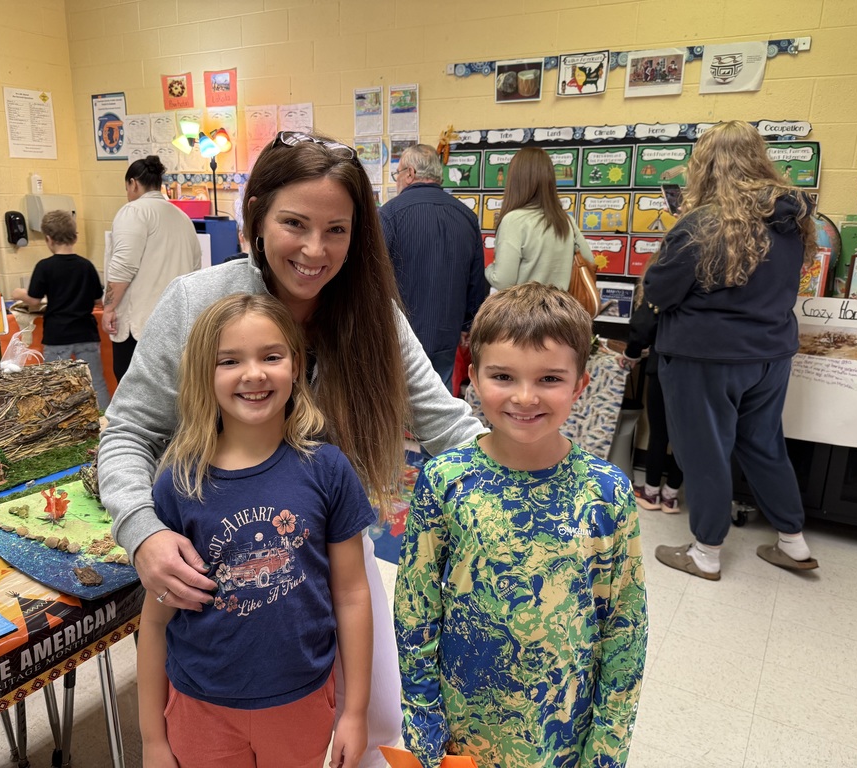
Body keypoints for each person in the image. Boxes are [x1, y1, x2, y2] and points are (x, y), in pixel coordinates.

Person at [98, 131, 485, 768]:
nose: (314, 250)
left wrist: (535, 487)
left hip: (327, 545)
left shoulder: (369, 313)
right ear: (255, 220)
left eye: (337, 229)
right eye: (294, 224)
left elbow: (448, 426)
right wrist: (143, 532)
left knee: (369, 723)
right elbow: (127, 431)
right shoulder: (198, 302)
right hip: (212, 558)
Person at [394, 283, 647, 768]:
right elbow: (415, 611)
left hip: (562, 736)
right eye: (504, 376)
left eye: (550, 378)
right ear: (473, 377)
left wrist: (608, 748)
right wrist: (423, 719)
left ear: (580, 384)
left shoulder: (607, 492)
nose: (525, 397)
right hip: (461, 734)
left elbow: (624, 626)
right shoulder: (445, 480)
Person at [138, 294, 374, 768]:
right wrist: (151, 739)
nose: (254, 374)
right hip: (200, 707)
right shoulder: (178, 481)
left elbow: (351, 595)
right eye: (230, 360)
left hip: (302, 702)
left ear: (296, 364)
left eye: (271, 356)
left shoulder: (327, 469)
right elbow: (155, 619)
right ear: (205, 374)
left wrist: (356, 711)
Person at [644, 120, 819, 580]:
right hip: (771, 354)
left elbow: (661, 290)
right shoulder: (791, 219)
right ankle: (793, 543)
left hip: (706, 356)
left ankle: (705, 553)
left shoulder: (701, 224)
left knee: (704, 452)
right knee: (764, 444)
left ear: (705, 165)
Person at [380, 144, 485, 389]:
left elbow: (373, 277)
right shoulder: (467, 216)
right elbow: (476, 278)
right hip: (447, 332)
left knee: (397, 403)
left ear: (409, 173)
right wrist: (468, 325)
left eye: (397, 175)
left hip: (400, 336)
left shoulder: (389, 215)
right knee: (440, 399)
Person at [102, 155, 202, 382]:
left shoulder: (133, 211)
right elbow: (196, 268)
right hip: (177, 327)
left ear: (133, 183)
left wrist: (109, 308)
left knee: (134, 397)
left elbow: (123, 266)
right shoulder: (183, 217)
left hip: (139, 328)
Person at [11, 210, 111, 411]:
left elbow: (34, 300)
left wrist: (19, 293)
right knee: (96, 381)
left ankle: (59, 425)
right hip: (86, 333)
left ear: (48, 239)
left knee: (56, 384)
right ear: (74, 237)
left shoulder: (45, 267)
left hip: (58, 335)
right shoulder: (86, 266)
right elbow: (98, 300)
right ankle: (106, 421)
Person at [486, 147, 594, 291]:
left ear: (515, 180)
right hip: (562, 310)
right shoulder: (566, 220)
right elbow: (589, 261)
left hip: (526, 311)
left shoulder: (514, 221)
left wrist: (488, 269)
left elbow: (503, 282)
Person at [618, 286, 683, 513]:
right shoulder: (711, 278)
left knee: (659, 433)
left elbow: (645, 324)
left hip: (663, 362)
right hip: (699, 369)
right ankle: (671, 496)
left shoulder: (667, 279)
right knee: (685, 436)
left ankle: (651, 492)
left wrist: (632, 353)